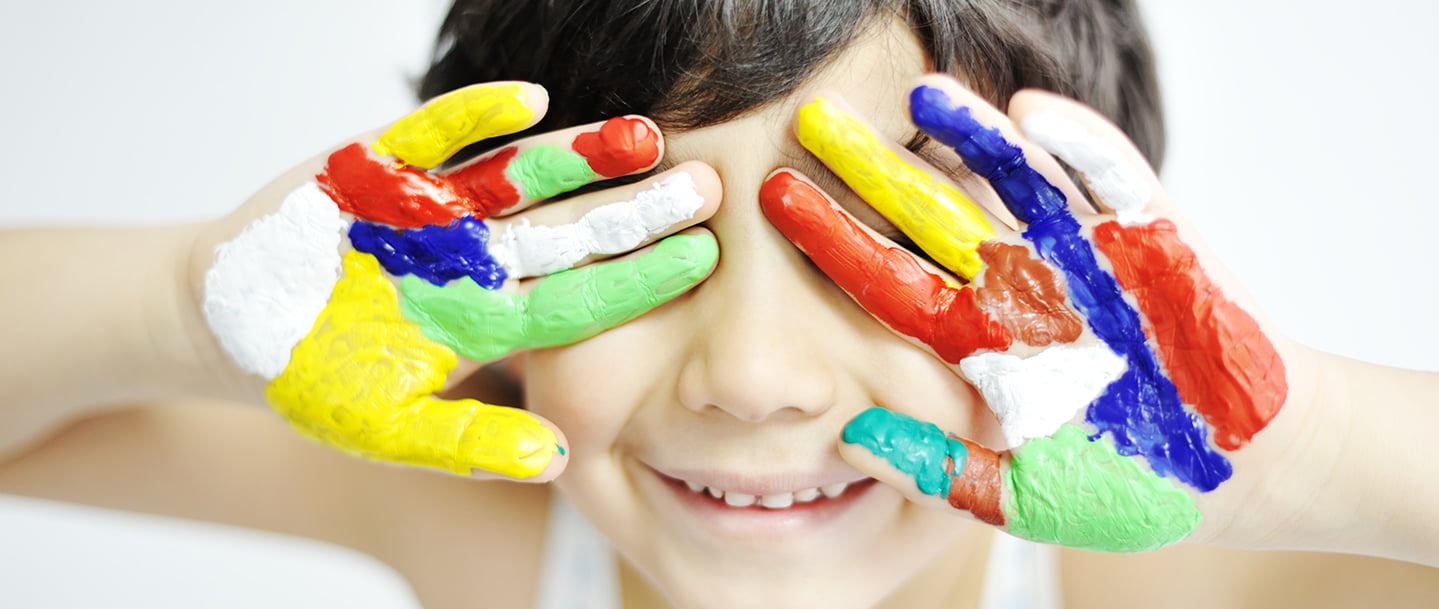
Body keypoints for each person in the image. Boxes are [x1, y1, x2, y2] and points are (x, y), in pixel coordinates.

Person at [1, 1, 1437, 608]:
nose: (751, 376)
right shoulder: (496, 525)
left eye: (889, 246)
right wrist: (199, 306)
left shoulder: (1165, 580)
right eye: (634, 246)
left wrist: (1302, 460)